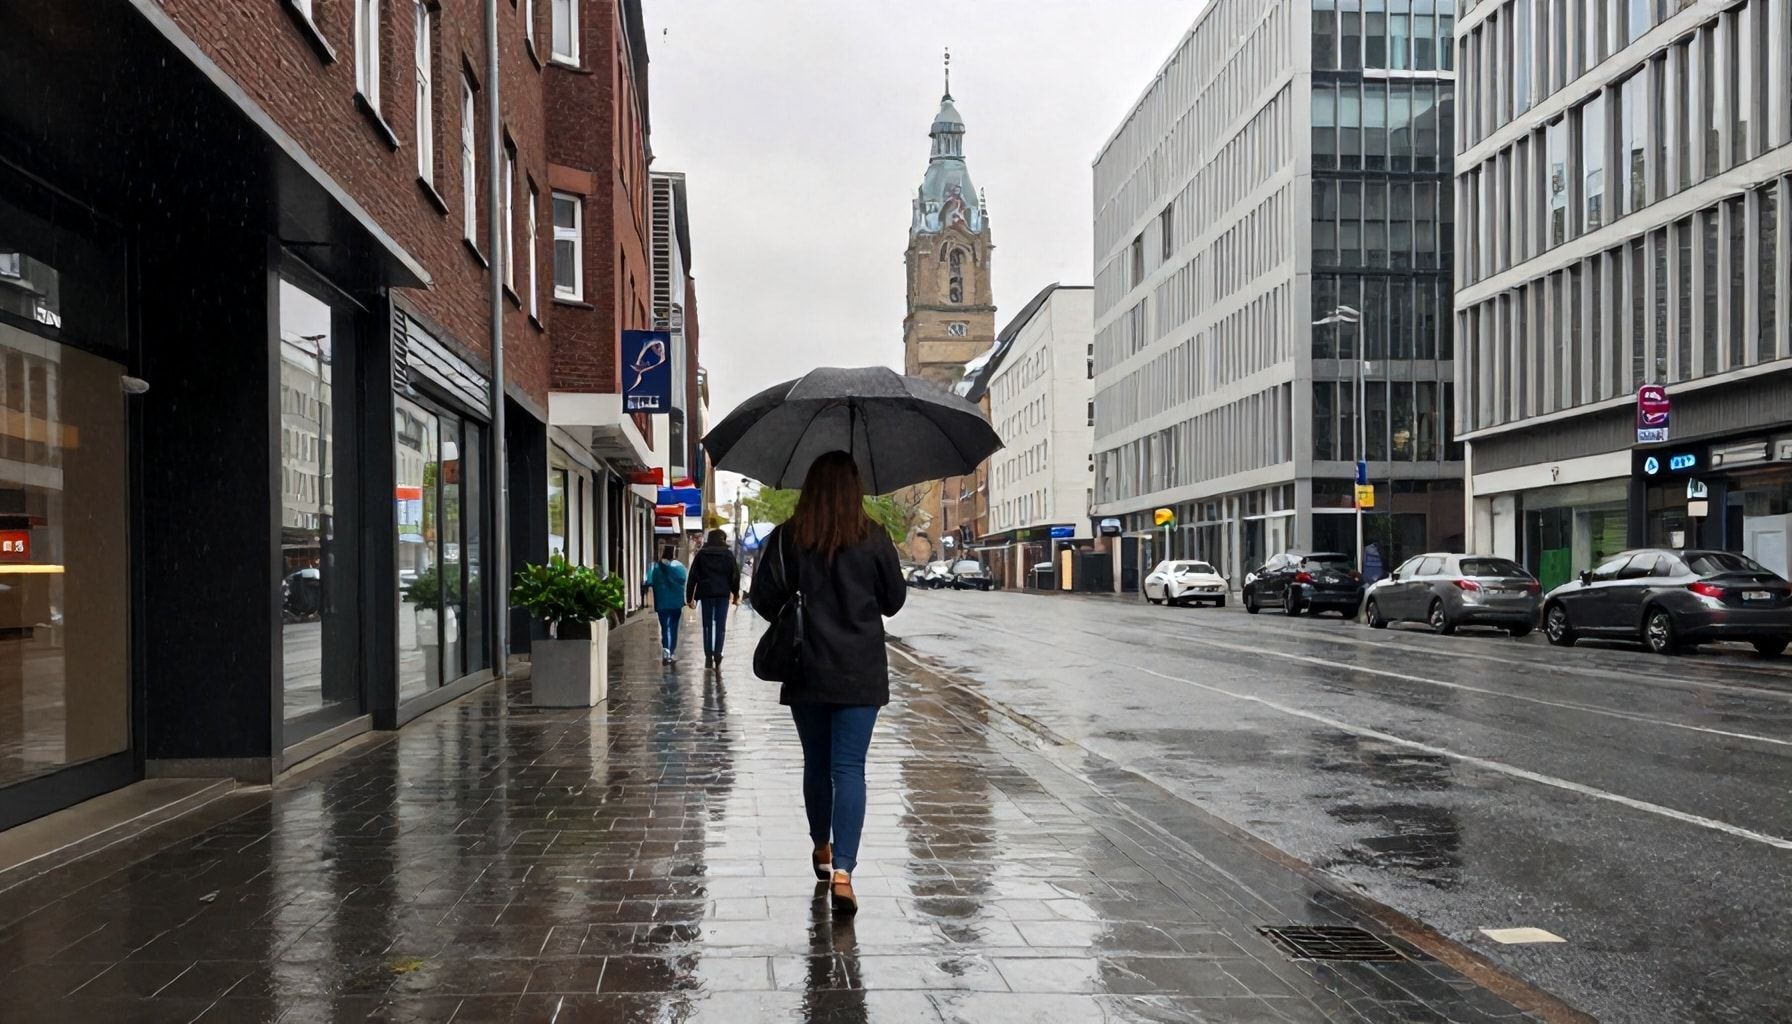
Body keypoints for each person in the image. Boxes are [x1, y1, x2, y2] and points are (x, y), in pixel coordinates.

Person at [752, 451, 907, 917]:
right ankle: (844, 872)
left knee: (816, 763)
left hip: (806, 666)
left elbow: (762, 598)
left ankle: (821, 845)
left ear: (810, 487)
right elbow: (894, 602)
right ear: (855, 489)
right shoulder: (874, 536)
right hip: (859, 669)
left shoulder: (789, 537)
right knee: (849, 768)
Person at [686, 529, 741, 669]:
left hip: (706, 594)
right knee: (721, 625)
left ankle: (708, 655)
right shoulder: (728, 555)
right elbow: (735, 576)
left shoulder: (702, 554)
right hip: (722, 594)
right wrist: (735, 595)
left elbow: (692, 576)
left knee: (707, 625)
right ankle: (718, 652)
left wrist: (689, 597)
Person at [644, 545, 688, 664]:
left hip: (662, 603)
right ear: (674, 554)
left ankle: (666, 651)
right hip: (676, 603)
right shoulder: (679, 567)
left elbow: (648, 581)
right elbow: (685, 580)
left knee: (664, 627)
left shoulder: (655, 567)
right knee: (673, 628)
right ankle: (672, 652)